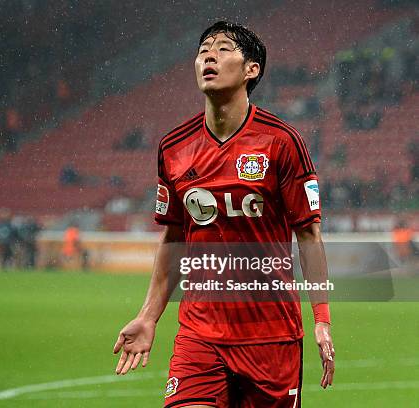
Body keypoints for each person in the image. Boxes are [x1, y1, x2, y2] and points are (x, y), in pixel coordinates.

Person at [113, 21, 335, 407]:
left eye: (223, 49)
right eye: (203, 51)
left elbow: (309, 236)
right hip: (199, 335)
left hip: (271, 336)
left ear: (252, 70)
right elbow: (172, 239)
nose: (208, 56)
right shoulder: (174, 147)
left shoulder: (282, 142)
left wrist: (322, 319)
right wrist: (148, 316)